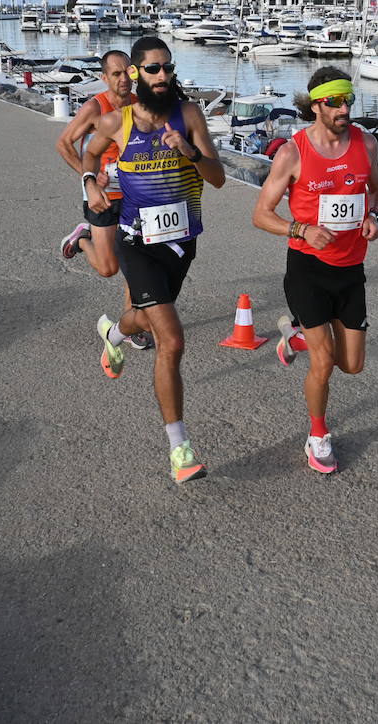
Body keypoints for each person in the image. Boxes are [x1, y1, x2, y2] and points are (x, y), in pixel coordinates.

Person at [82, 36, 225, 483]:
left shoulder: (190, 116)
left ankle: (114, 333)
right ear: (136, 75)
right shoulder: (117, 121)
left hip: (181, 244)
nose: (162, 76)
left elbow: (217, 179)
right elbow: (88, 151)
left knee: (143, 318)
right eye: (152, 69)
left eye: (167, 68)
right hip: (136, 241)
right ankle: (179, 449)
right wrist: (91, 182)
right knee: (172, 340)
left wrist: (191, 152)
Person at [251, 66, 378, 474]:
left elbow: (377, 191)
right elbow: (260, 214)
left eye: (349, 100)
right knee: (324, 364)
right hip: (308, 268)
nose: (345, 108)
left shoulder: (366, 143)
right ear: (315, 106)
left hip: (351, 269)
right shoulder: (293, 152)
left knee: (353, 365)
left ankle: (295, 336)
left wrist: (374, 215)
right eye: (335, 102)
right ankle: (317, 435)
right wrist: (302, 230)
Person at [55, 50, 152, 351]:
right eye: (116, 74)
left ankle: (131, 323)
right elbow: (63, 143)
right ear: (104, 78)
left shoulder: (141, 104)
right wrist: (88, 177)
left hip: (135, 195)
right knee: (108, 268)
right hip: (103, 195)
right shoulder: (95, 107)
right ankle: (83, 237)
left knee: (136, 265)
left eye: (128, 72)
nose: (124, 79)